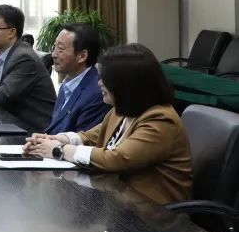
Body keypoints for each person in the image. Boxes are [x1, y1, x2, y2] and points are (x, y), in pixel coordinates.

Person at [23, 43, 192, 205]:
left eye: (106, 79)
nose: (99, 83)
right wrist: (55, 139)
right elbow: (89, 137)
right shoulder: (122, 111)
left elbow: (118, 159)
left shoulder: (160, 120)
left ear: (126, 85)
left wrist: (59, 150)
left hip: (152, 213)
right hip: (117, 199)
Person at [44, 23, 110, 134]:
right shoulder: (66, 84)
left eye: (60, 49)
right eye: (54, 47)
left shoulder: (97, 94)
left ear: (82, 56)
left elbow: (81, 140)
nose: (53, 54)